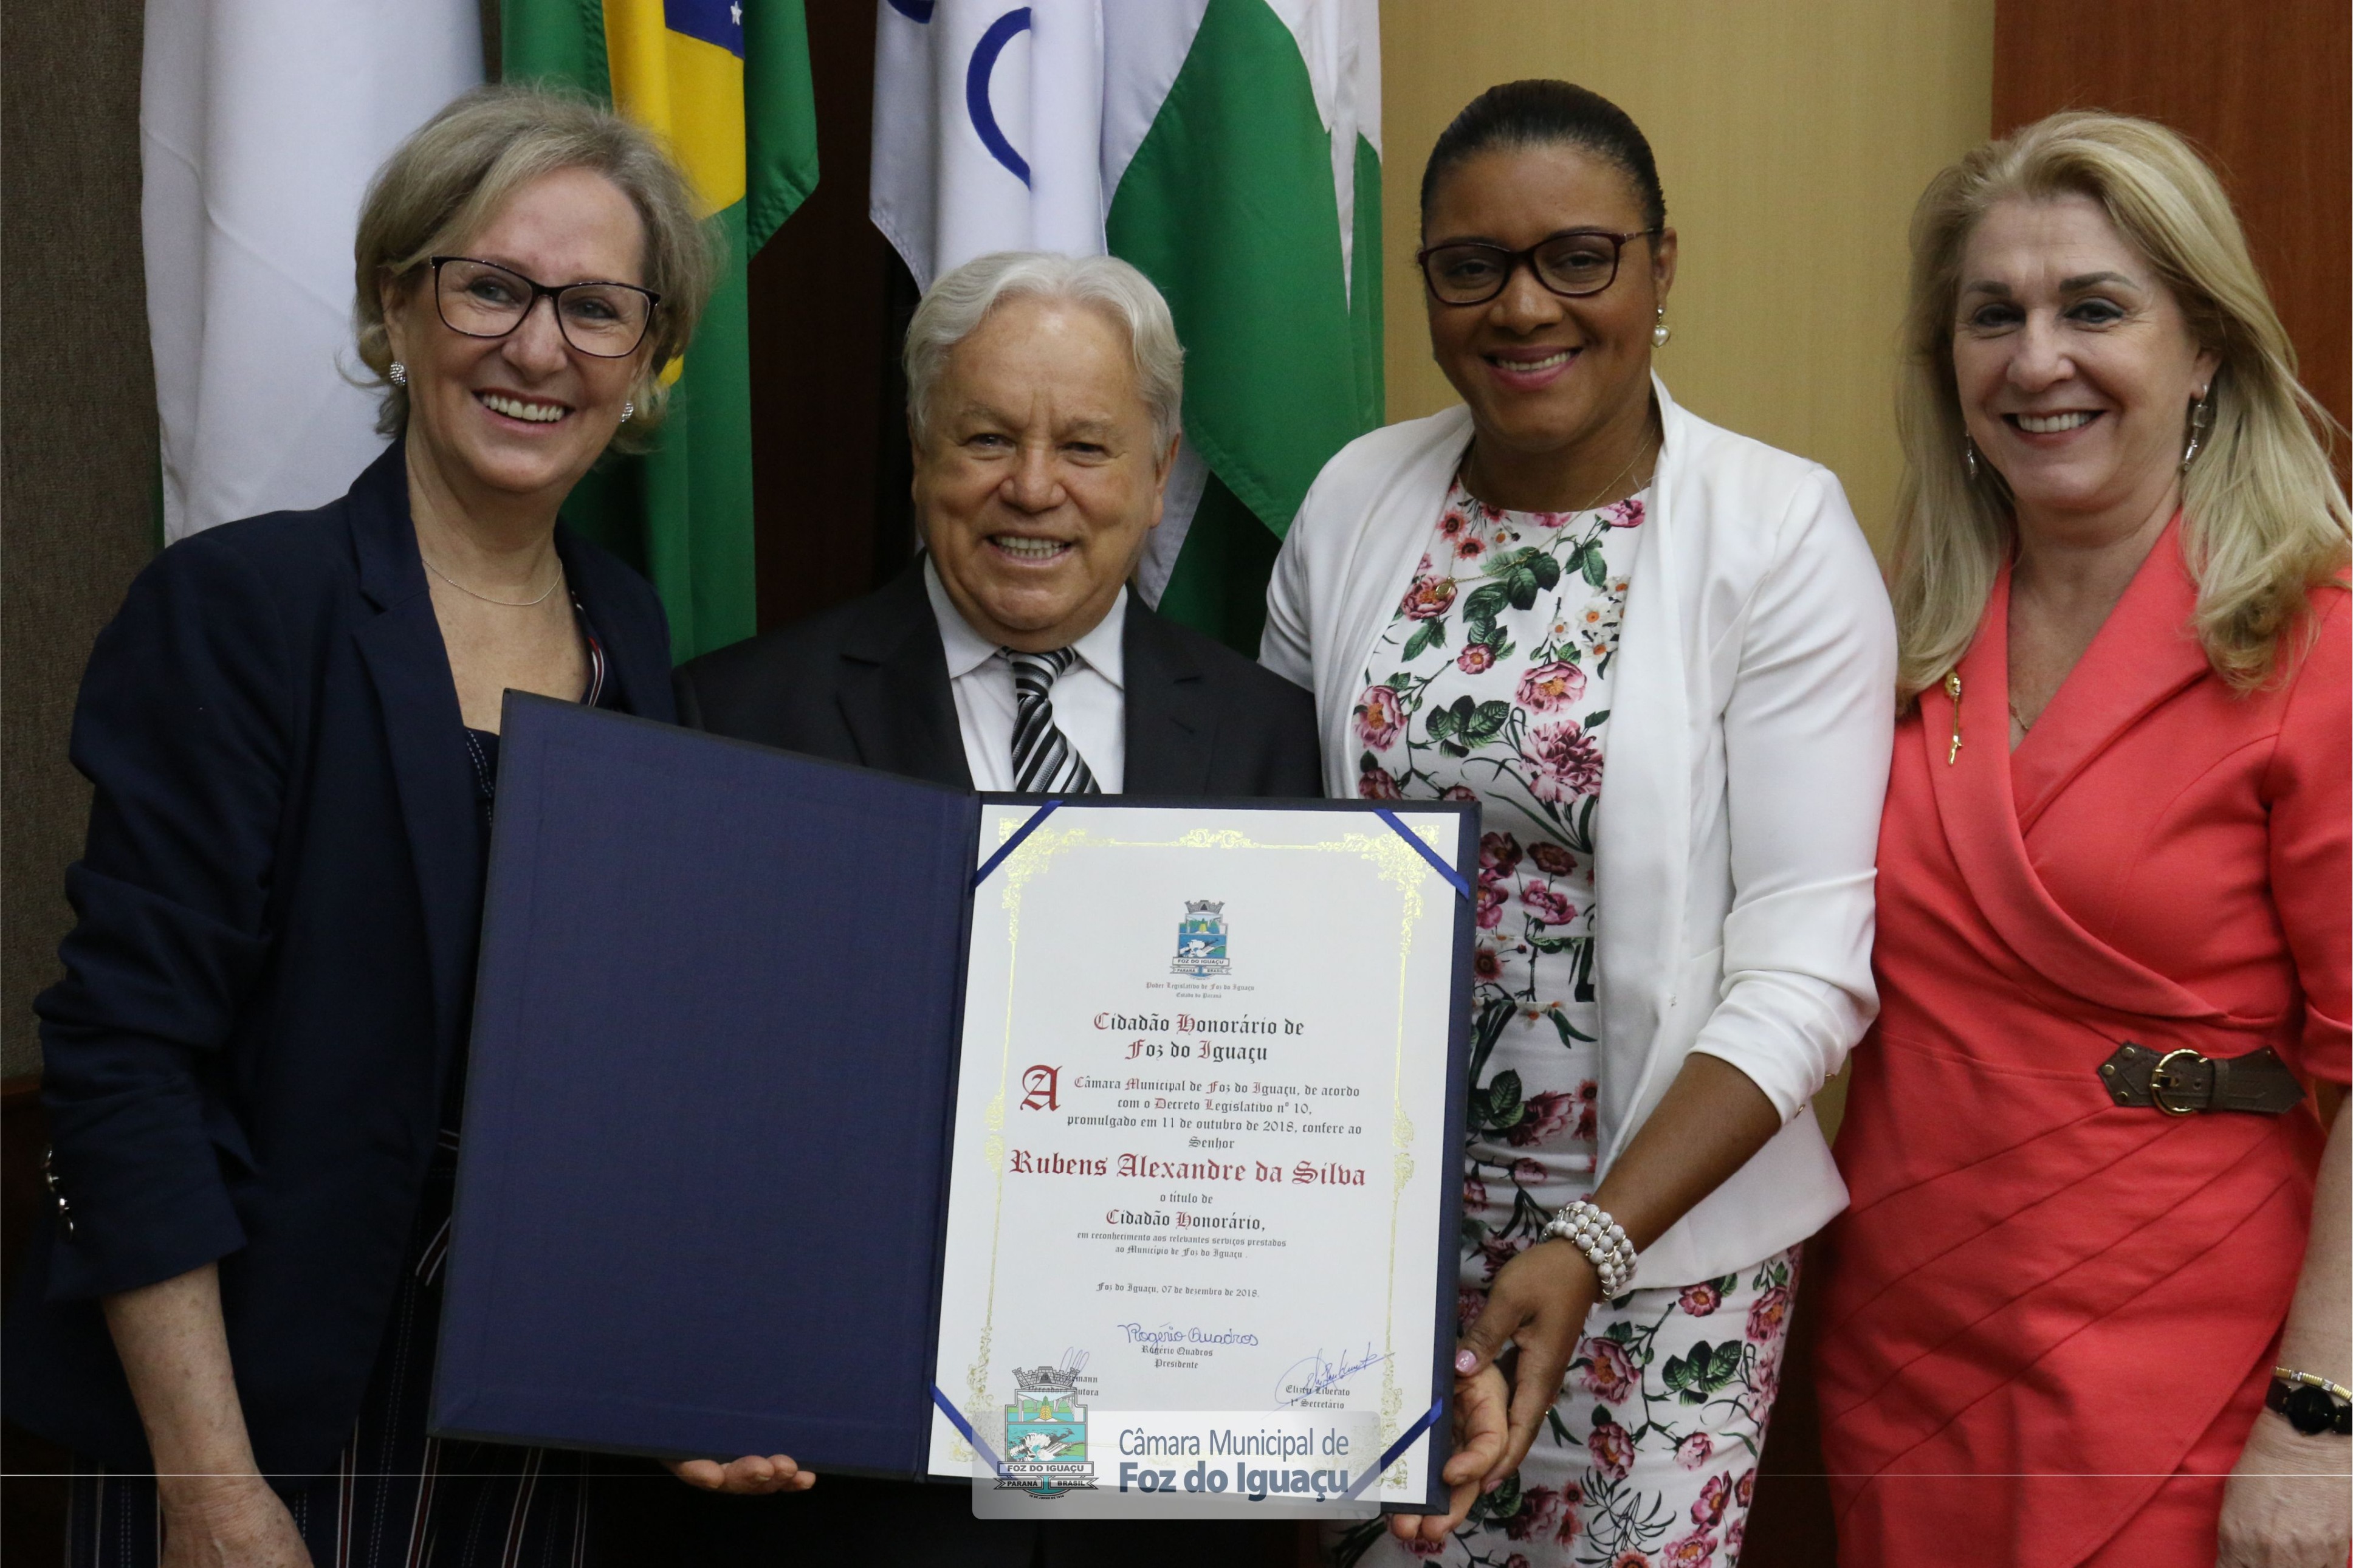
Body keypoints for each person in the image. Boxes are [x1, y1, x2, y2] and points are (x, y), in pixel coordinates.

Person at [0, 86, 795, 1567]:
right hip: (266, 1403)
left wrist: (667, 1364)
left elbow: (627, 1070)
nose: (539, 348)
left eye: (597, 310)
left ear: (647, 360)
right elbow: (126, 1067)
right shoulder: (244, 611)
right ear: (398, 303)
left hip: (532, 1398)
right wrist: (213, 1490)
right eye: (491, 287)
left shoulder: (628, 630)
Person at [1260, 80, 1895, 1566]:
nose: (1522, 306)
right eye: (1470, 266)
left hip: (1662, 1249)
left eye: (1578, 258)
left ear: (1660, 268)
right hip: (1375, 1233)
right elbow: (1273, 842)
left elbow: (1808, 968)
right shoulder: (1357, 497)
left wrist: (1591, 1242)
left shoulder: (1778, 534)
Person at [661, 249, 1319, 1566]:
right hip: (849, 1482)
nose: (1034, 489)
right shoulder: (737, 720)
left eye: (1086, 444)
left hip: (1176, 1504)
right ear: (918, 456)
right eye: (984, 439)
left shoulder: (1277, 744)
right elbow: (685, 1102)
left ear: (1159, 470)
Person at [1814, 111, 2351, 1568]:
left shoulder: (2317, 647)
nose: (2034, 359)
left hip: (2187, 1358)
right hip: (1901, 1342)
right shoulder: (1891, 632)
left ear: (2207, 352)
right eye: (1993, 316)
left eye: (2094, 309)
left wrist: (2320, 1418)